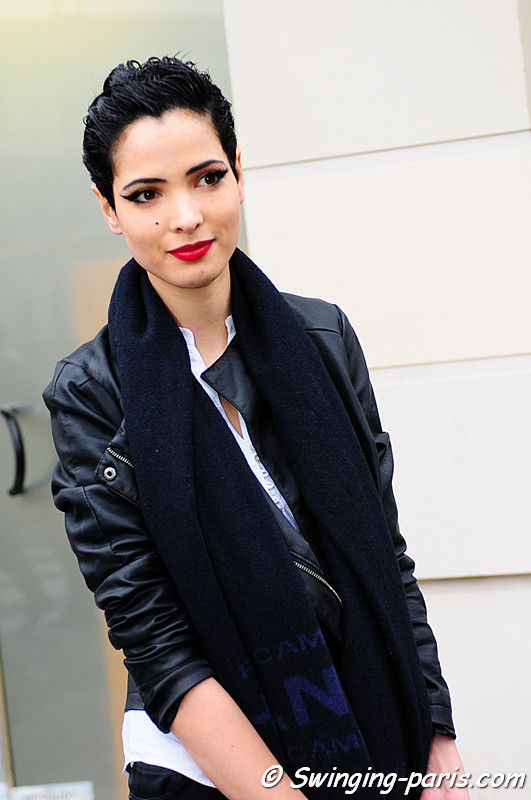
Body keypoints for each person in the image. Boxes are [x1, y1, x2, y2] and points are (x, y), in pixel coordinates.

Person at [44, 57, 469, 800]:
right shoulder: (90, 394)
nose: (184, 216)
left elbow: (384, 556)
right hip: (201, 769)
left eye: (207, 177)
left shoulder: (321, 338)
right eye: (146, 194)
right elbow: (156, 639)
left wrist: (436, 740)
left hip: (375, 735)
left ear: (238, 172)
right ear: (109, 208)